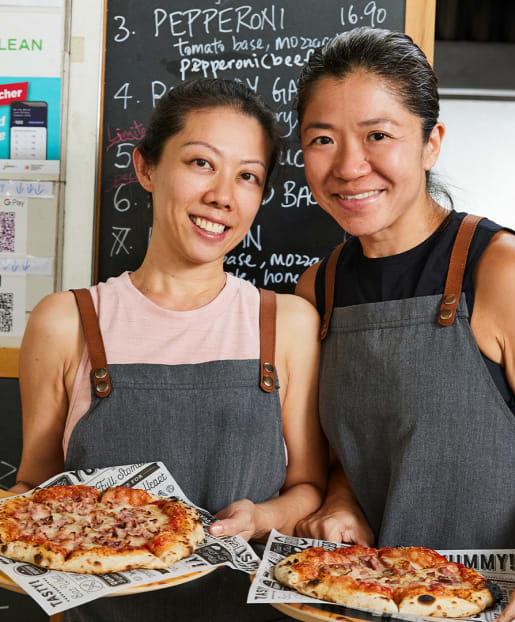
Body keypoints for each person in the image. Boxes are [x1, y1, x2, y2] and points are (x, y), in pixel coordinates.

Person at [12, 78, 327, 621]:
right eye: (201, 163)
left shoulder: (287, 322)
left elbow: (308, 487)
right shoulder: (67, 321)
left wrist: (260, 518)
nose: (222, 196)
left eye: (247, 176)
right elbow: (35, 492)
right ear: (146, 168)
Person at [292, 28, 515, 622]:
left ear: (431, 142)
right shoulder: (319, 289)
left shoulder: (505, 272)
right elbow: (355, 445)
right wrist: (341, 500)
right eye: (322, 140)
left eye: (378, 135)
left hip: (502, 606)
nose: (348, 166)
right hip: (370, 598)